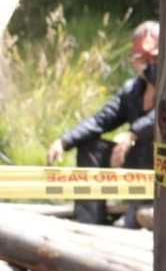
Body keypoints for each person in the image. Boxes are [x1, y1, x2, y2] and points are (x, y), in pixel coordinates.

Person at [47, 21, 160, 227]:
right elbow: (100, 120)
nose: (148, 64)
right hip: (135, 163)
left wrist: (133, 133)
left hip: (163, 168)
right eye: (142, 58)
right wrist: (63, 142)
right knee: (91, 147)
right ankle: (89, 222)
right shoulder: (132, 90)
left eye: (153, 57)